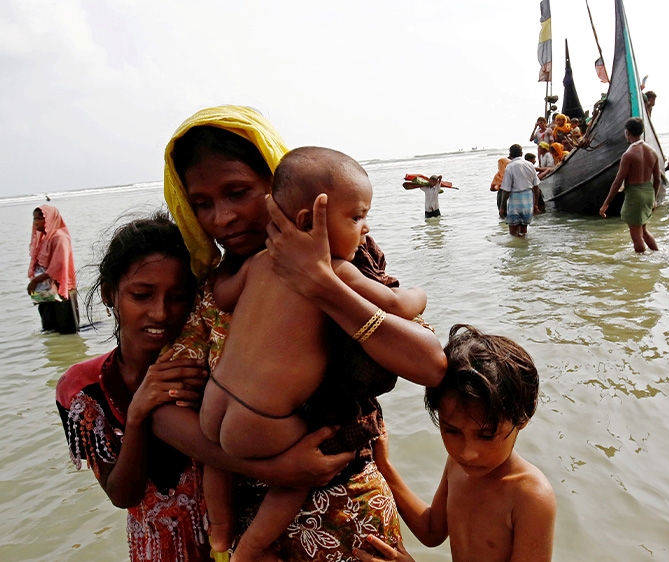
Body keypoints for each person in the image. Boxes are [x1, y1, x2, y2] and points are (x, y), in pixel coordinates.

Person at [155, 105, 448, 561]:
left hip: (349, 515)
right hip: (261, 523)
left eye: (238, 192)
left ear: (278, 189)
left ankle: (225, 543)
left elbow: (429, 364)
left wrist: (323, 285)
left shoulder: (350, 258)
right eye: (202, 204)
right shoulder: (208, 287)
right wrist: (278, 468)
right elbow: (163, 410)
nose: (223, 217)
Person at [56, 214, 208, 561]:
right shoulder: (82, 390)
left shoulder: (210, 368)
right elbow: (123, 495)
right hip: (155, 550)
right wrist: (138, 414)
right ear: (109, 294)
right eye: (142, 295)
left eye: (178, 297)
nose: (160, 312)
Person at [361, 324, 556, 562]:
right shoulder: (457, 464)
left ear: (523, 418)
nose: (467, 452)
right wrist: (385, 467)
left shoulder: (530, 495)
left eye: (486, 436)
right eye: (452, 431)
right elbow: (432, 531)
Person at [599, 117, 661, 253]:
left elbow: (617, 182)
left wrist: (606, 204)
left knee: (636, 235)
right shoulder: (652, 151)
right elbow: (657, 179)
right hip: (648, 192)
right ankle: (657, 254)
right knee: (644, 229)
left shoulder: (628, 154)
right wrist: (654, 199)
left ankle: (640, 263)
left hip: (635, 194)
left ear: (627, 132)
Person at [27, 205, 79, 333]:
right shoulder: (44, 239)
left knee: (67, 330)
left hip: (61, 289)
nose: (36, 222)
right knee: (49, 330)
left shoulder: (60, 238)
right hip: (46, 290)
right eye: (35, 218)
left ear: (50, 219)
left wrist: (35, 281)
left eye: (40, 218)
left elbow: (58, 266)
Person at [499, 144, 539, 237]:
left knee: (513, 233)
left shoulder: (510, 167)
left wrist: (502, 207)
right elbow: (536, 186)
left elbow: (506, 190)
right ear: (521, 153)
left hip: (515, 201)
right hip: (528, 200)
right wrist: (535, 204)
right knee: (524, 231)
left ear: (510, 154)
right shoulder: (530, 165)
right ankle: (524, 244)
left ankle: (518, 245)